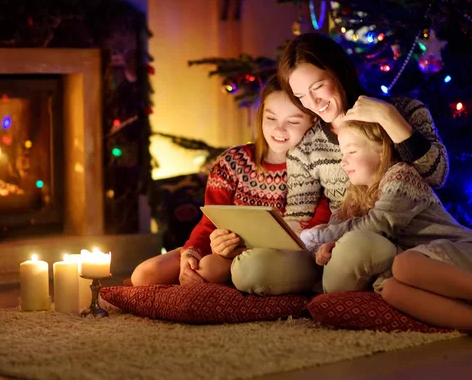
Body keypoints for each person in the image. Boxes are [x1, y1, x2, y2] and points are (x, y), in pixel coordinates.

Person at [232, 33, 448, 294]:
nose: (313, 104)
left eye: (318, 87)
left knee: (353, 251)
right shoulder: (307, 145)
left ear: (338, 72)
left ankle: (339, 288)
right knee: (250, 270)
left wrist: (388, 117)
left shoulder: (406, 111)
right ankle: (335, 287)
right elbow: (299, 218)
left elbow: (438, 174)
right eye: (301, 96)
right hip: (333, 246)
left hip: (393, 245)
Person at [299, 120, 472, 345]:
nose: (343, 161)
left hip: (470, 255)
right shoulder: (354, 197)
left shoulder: (400, 176)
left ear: (382, 150)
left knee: (403, 266)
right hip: (431, 275)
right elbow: (332, 231)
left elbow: (378, 224)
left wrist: (320, 236)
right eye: (342, 154)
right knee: (392, 290)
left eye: (351, 152)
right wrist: (322, 249)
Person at [131, 76, 328, 287]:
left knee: (208, 269)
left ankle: (215, 286)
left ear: (312, 121)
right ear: (261, 116)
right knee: (144, 275)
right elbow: (209, 221)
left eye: (293, 121)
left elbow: (315, 230)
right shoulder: (233, 161)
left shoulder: (315, 168)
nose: (279, 130)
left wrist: (241, 251)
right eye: (271, 119)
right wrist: (191, 253)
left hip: (274, 257)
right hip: (222, 247)